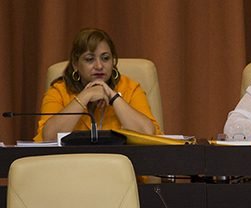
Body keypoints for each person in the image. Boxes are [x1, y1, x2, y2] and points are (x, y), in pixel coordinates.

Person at [34, 28, 162, 142]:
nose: (99, 66)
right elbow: (49, 137)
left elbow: (148, 134)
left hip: (121, 164)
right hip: (71, 164)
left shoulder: (130, 88)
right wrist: (86, 95)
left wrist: (113, 97)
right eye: (90, 59)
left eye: (105, 58)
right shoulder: (59, 91)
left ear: (113, 61)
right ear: (75, 64)